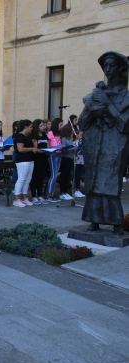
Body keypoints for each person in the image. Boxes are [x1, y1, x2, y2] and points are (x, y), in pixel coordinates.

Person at [78, 51, 129, 235]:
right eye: (105, 65)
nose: (107, 69)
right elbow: (82, 122)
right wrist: (93, 113)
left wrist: (108, 105)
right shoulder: (96, 94)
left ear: (121, 68)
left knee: (109, 182)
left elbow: (125, 124)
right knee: (92, 181)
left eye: (112, 65)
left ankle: (116, 223)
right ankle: (94, 220)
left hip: (114, 144)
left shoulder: (126, 96)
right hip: (94, 143)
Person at [12, 120, 36, 207]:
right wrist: (31, 149)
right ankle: (16, 198)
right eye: (30, 127)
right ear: (26, 127)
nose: (31, 129)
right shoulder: (20, 136)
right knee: (21, 179)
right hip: (22, 160)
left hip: (30, 160)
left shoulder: (28, 136)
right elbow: (20, 149)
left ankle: (24, 197)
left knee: (27, 179)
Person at [29, 119, 49, 205]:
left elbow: (48, 145)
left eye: (44, 125)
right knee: (35, 177)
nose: (43, 127)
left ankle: (40, 195)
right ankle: (34, 196)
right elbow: (36, 149)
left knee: (41, 177)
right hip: (37, 159)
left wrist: (48, 150)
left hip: (45, 158)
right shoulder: (34, 137)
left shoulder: (45, 135)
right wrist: (45, 150)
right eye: (41, 126)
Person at [45, 118, 63, 202]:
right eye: (60, 125)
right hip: (53, 154)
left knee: (56, 175)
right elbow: (48, 146)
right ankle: (49, 194)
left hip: (59, 154)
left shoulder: (59, 134)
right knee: (53, 175)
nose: (61, 127)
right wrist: (57, 147)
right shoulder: (50, 133)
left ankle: (52, 193)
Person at [58, 124, 77, 200]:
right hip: (65, 158)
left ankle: (66, 191)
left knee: (68, 176)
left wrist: (76, 148)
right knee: (64, 175)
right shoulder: (64, 139)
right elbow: (63, 149)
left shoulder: (71, 139)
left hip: (70, 158)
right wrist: (71, 149)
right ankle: (62, 192)